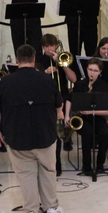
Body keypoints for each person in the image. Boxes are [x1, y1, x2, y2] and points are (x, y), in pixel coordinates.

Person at [0, 45, 64, 213]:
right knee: (48, 171)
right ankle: (51, 208)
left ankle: (30, 211)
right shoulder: (47, 80)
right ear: (34, 59)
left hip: (17, 135)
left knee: (26, 174)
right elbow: (59, 108)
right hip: (45, 135)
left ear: (17, 61)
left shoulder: (6, 82)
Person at [37, 33, 77, 174]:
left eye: (52, 46)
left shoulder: (63, 57)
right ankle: (55, 163)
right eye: (46, 46)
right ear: (43, 47)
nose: (49, 49)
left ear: (56, 46)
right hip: (46, 97)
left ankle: (67, 136)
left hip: (63, 95)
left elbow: (74, 79)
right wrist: (45, 72)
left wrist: (62, 65)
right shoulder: (39, 59)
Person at [69, 59, 108, 177]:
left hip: (98, 117)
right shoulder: (80, 85)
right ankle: (86, 166)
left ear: (100, 72)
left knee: (105, 133)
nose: (92, 73)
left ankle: (100, 165)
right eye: (90, 70)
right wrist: (67, 116)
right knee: (87, 133)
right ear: (86, 69)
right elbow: (70, 99)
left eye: (95, 71)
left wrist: (90, 111)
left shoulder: (104, 87)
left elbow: (107, 112)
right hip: (82, 118)